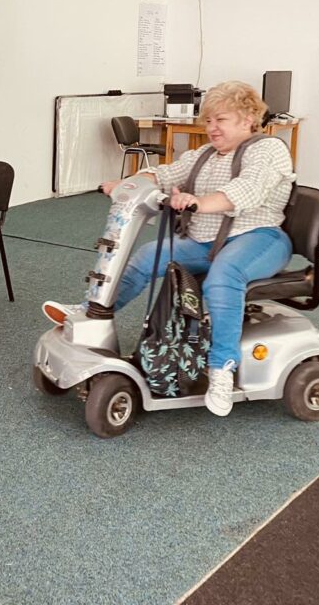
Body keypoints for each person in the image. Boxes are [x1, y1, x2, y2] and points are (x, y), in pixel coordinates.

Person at [45, 81, 295, 416]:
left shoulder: (268, 149)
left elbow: (246, 190)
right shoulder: (206, 154)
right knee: (148, 257)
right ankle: (91, 312)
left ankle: (222, 368)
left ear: (248, 118)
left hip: (258, 237)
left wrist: (198, 201)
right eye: (208, 121)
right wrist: (132, 183)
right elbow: (164, 173)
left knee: (224, 276)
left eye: (220, 119)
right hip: (207, 240)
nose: (212, 128)